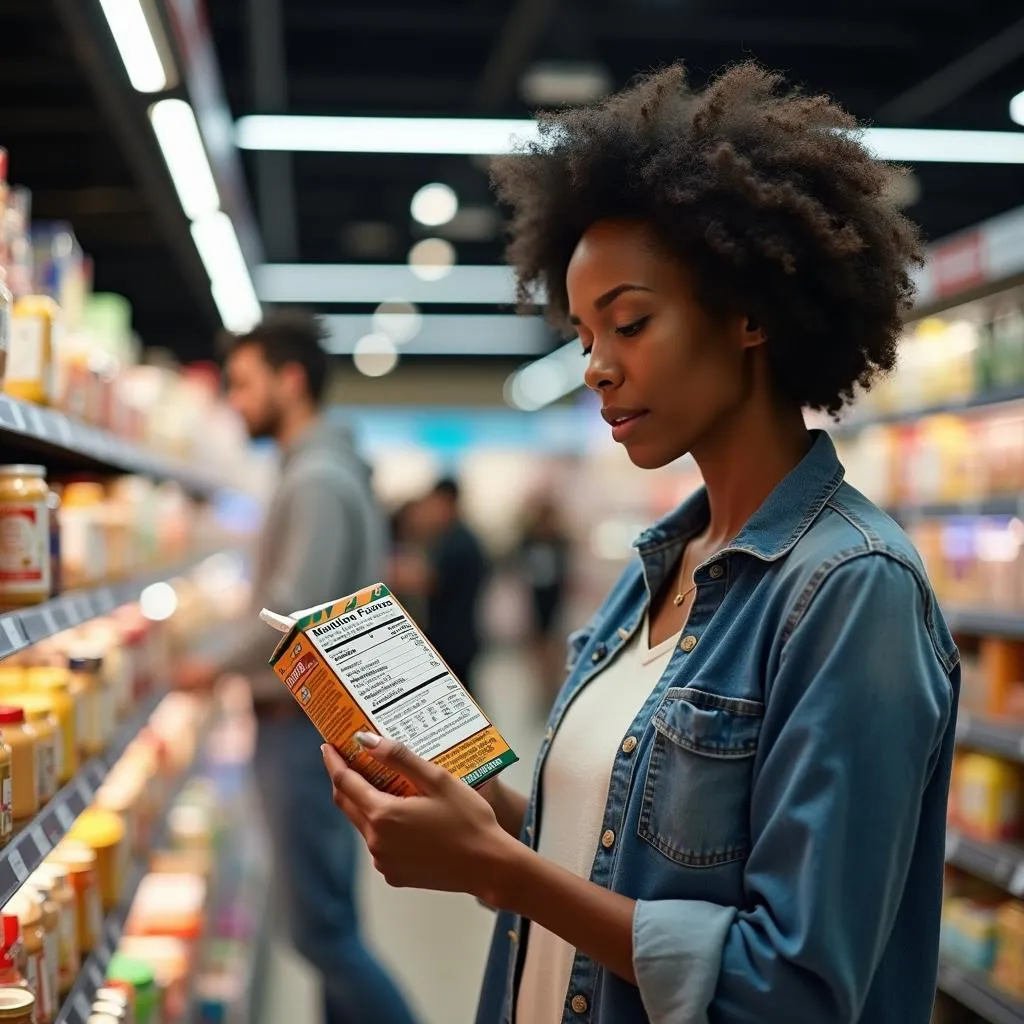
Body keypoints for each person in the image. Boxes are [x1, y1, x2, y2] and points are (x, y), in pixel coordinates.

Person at [320, 63, 959, 1024]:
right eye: (582, 334)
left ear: (751, 312)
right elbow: (604, 844)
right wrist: (480, 821)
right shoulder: (660, 567)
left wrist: (503, 873)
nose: (595, 368)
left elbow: (794, 990)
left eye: (630, 322)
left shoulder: (852, 591)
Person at [176, 312, 417, 1024]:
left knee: (320, 933)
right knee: (330, 921)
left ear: (291, 380)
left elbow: (290, 609)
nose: (236, 400)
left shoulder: (312, 478)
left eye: (245, 384)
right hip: (320, 725)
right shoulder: (324, 469)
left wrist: (207, 662)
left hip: (302, 727)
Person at [416, 478, 490, 697]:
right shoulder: (454, 537)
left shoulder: (459, 541)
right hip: (457, 635)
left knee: (461, 699)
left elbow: (431, 580)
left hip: (456, 638)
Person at [517, 496, 572, 704]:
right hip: (536, 594)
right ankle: (543, 679)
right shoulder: (529, 539)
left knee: (553, 637)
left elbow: (564, 568)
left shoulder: (559, 540)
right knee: (538, 638)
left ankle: (553, 679)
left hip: (553, 593)